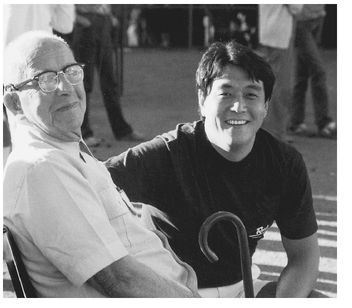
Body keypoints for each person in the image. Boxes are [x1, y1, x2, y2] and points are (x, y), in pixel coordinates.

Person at [106, 41, 323, 297]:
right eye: (226, 93)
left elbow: (304, 257)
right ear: (202, 100)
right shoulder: (167, 153)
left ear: (265, 106)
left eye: (251, 95)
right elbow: (88, 179)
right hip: (168, 291)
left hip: (243, 287)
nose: (238, 106)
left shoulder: (284, 163)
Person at [3, 31, 199, 298]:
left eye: (71, 72)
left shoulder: (63, 150)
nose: (65, 88)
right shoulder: (44, 168)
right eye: (45, 80)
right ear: (15, 103)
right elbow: (120, 279)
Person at [72, 4, 144, 147]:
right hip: (86, 22)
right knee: (85, 82)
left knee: (110, 82)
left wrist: (108, 17)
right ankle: (84, 133)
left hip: (101, 22)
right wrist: (79, 19)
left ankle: (122, 130)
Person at [290, 4, 337, 138]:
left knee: (302, 74)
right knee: (318, 71)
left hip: (318, 17)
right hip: (301, 22)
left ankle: (296, 122)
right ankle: (324, 122)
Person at [258, 4, 303, 142]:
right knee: (281, 85)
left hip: (266, 31)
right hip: (280, 36)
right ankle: (275, 133)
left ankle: (267, 129)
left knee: (267, 81)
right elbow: (297, 7)